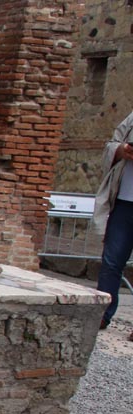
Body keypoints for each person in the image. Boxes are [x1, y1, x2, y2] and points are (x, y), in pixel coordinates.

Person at [94, 110, 133, 334]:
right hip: (123, 202)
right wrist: (122, 150)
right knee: (111, 262)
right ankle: (103, 313)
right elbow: (112, 145)